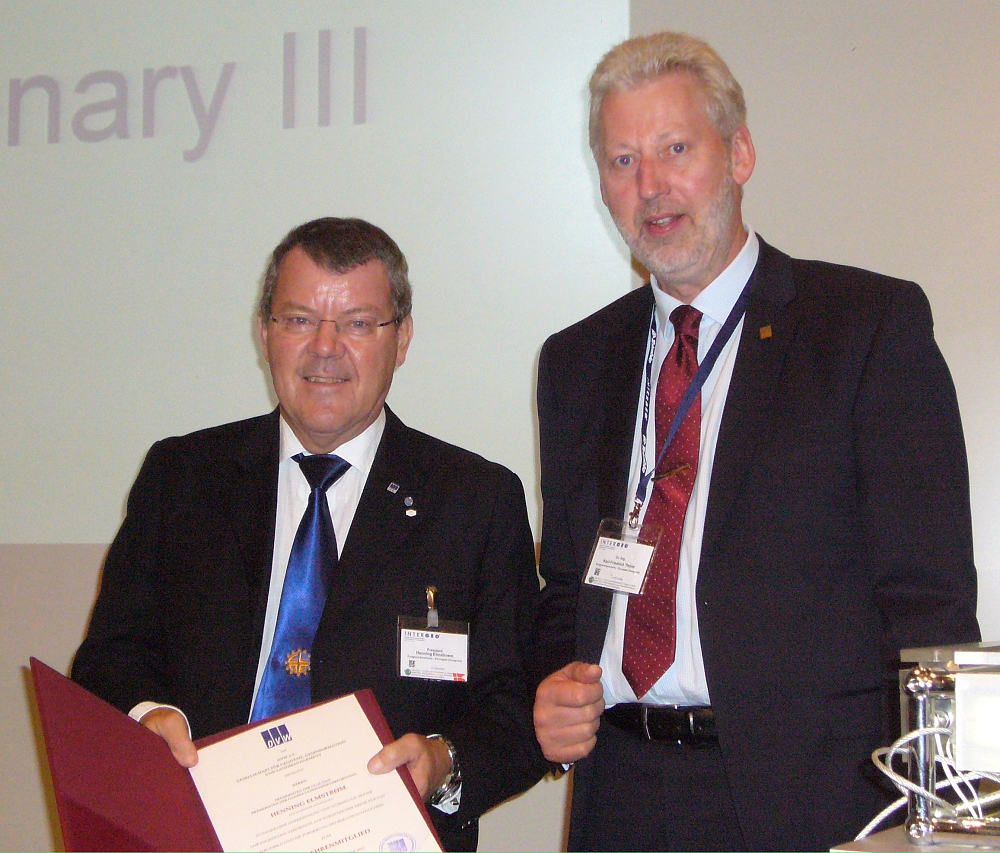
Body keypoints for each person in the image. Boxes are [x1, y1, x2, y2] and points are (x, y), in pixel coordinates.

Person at [532, 31, 980, 852]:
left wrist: (925, 804)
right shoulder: (576, 360)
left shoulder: (863, 328)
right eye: (623, 160)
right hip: (620, 793)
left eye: (675, 149)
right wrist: (553, 682)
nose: (650, 186)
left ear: (739, 153)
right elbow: (569, 580)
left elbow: (929, 599)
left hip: (814, 800)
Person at [72, 217, 543, 851]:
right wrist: (146, 716)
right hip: (196, 831)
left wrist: (442, 761)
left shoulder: (475, 500)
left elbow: (514, 706)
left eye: (357, 323)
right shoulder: (182, 476)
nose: (325, 347)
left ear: (402, 338)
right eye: (299, 320)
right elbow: (109, 658)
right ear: (264, 332)